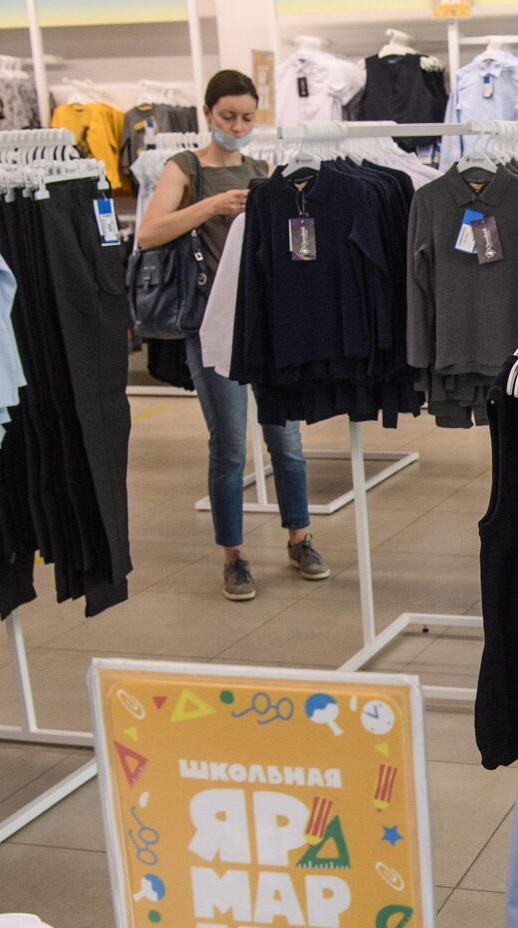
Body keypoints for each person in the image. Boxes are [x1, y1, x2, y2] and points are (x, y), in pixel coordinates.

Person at [138, 69, 327, 601]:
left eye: (246, 117)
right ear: (207, 114)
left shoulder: (260, 169)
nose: (238, 126)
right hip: (208, 319)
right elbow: (148, 233)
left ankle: (300, 537)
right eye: (228, 117)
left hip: (263, 319)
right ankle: (234, 555)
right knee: (229, 445)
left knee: (286, 438)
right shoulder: (184, 168)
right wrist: (211, 207)